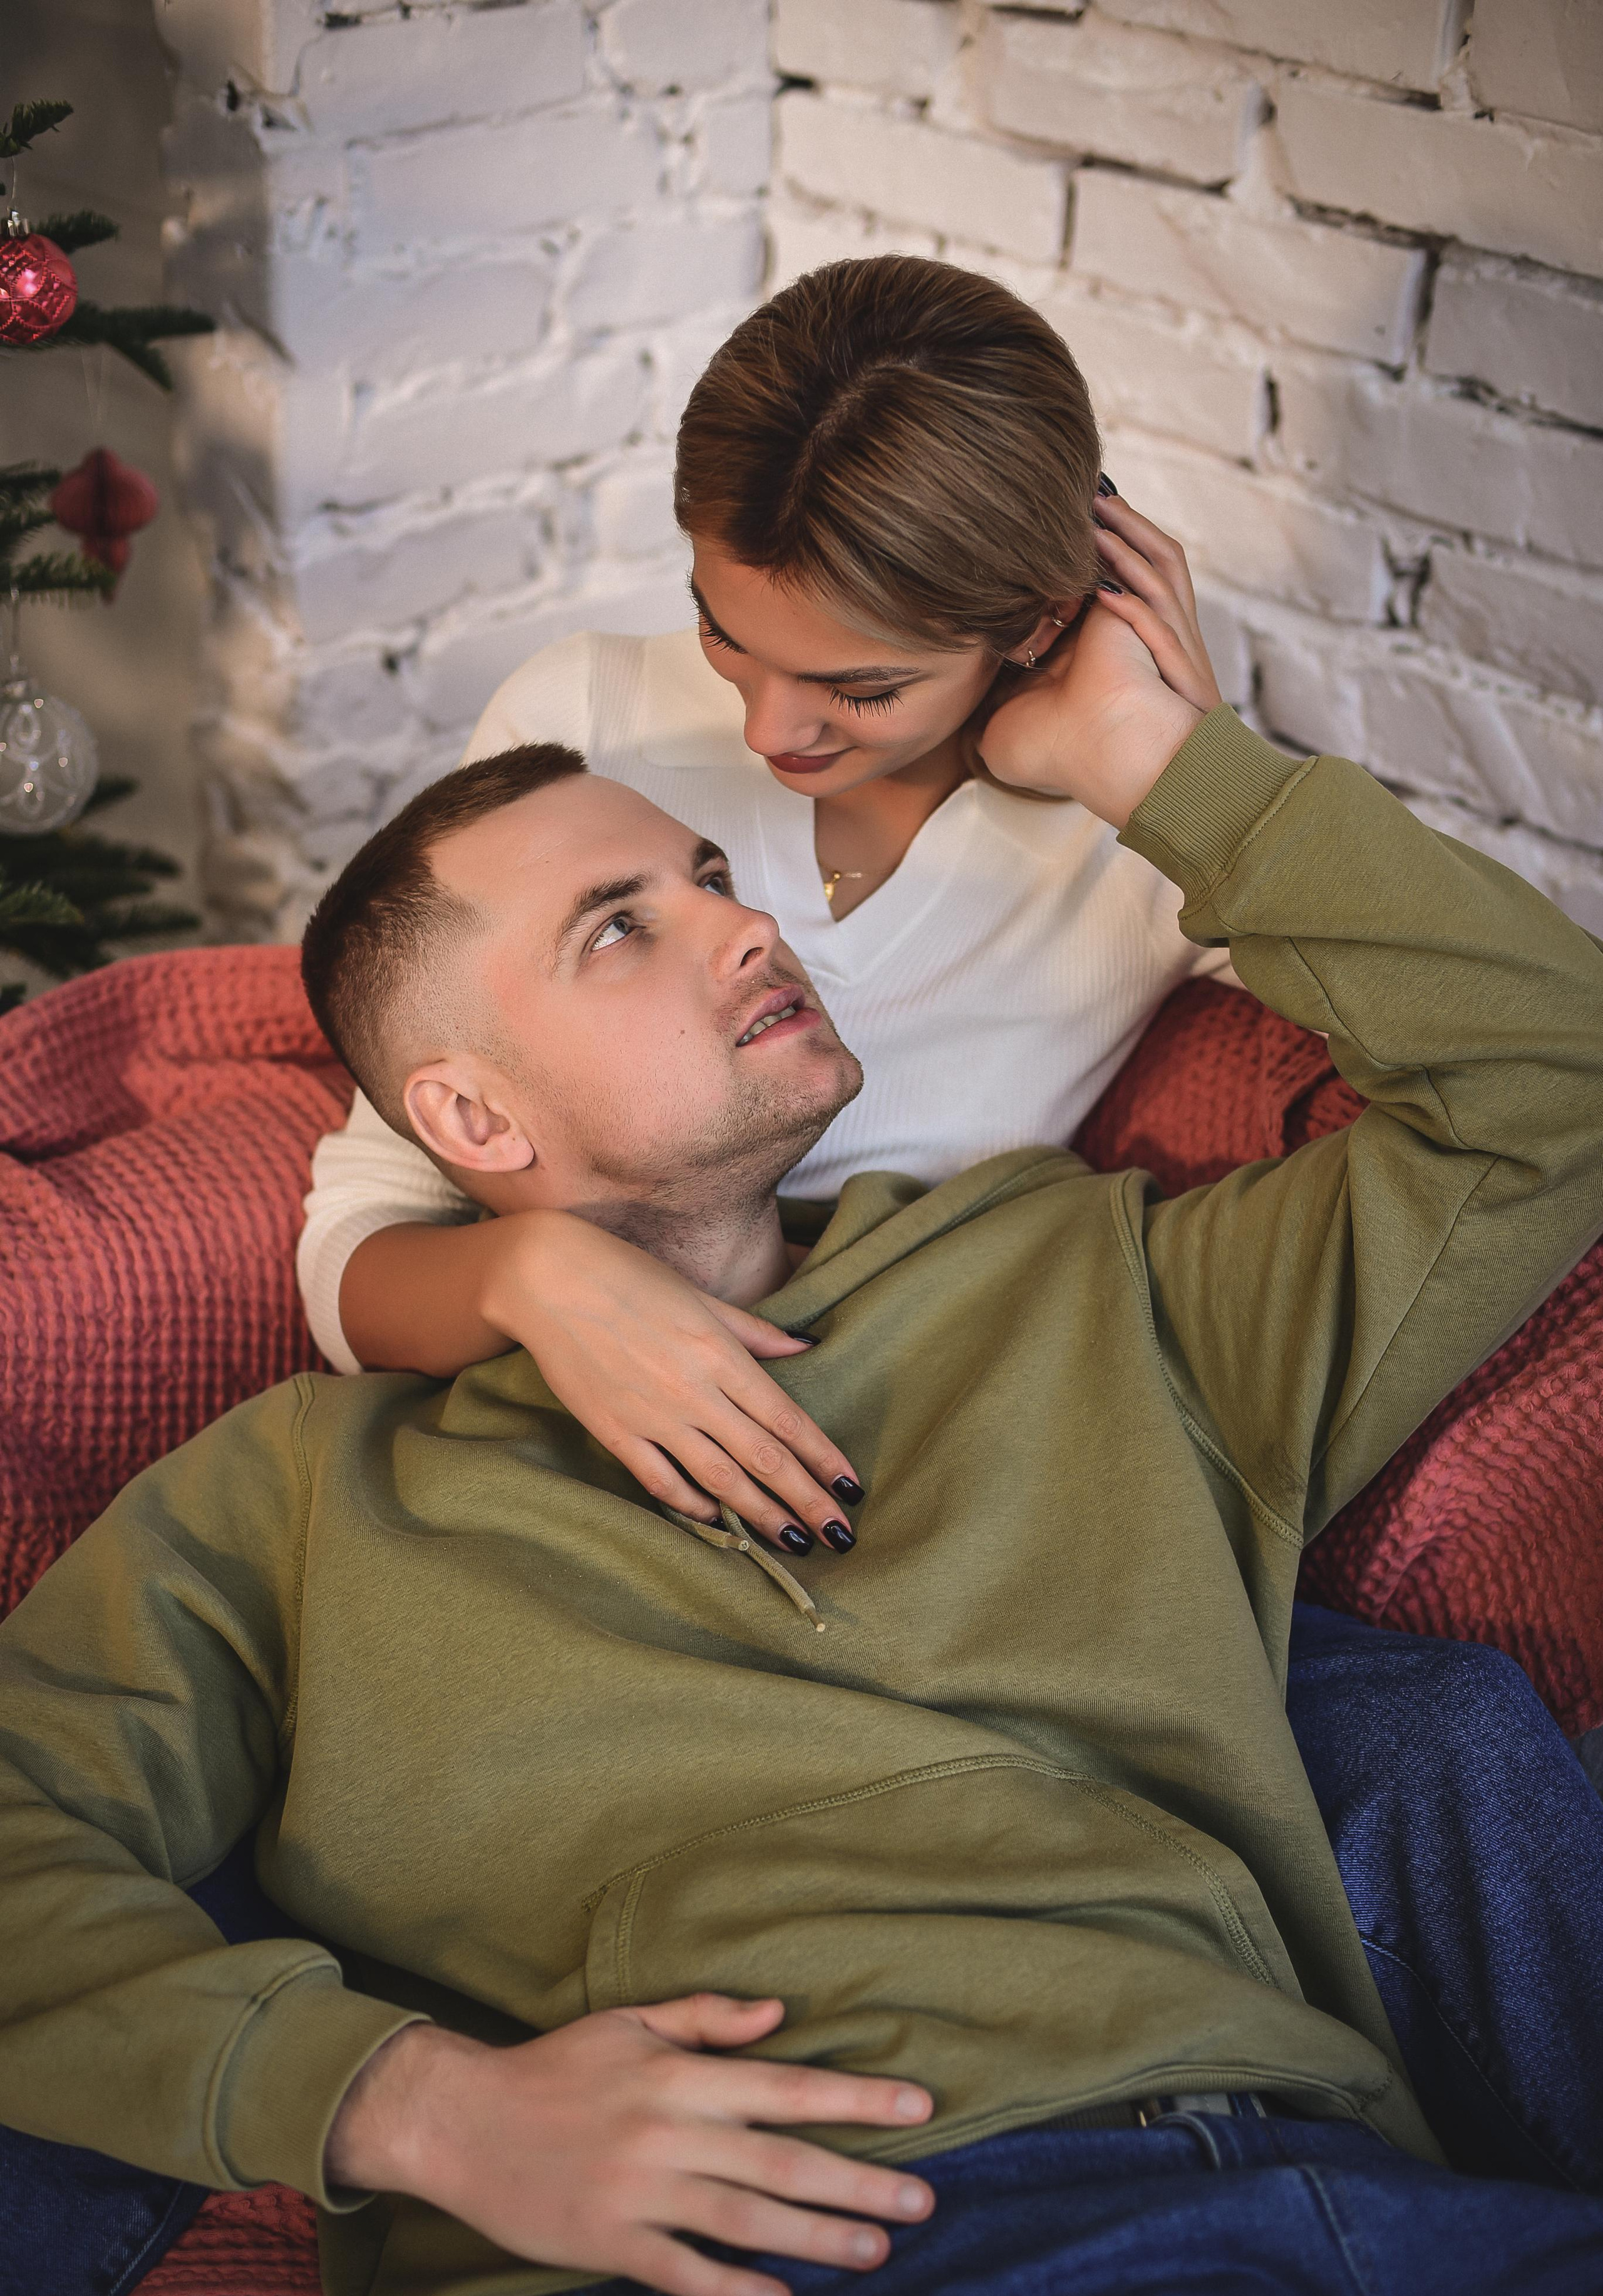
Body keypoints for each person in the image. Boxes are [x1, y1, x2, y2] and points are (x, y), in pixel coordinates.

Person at [3, 647, 1602, 2296]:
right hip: (812, 2266)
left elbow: (1549, 1080)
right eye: (621, 930)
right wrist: (403, 2105)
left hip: (1368, 2194)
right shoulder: (310, 1490)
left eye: (709, 875)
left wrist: (1156, 753)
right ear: (468, 1115)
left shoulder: (1077, 1276)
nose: (746, 923)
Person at [298, 253, 1237, 1548]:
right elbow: (363, 1230)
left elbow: (1484, 1055)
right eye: (722, 629)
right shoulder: (588, 723)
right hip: (559, 1483)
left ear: (1035, 622)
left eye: (860, 688)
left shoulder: (1137, 844)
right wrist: (537, 1276)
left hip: (927, 1471)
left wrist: (1186, 769)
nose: (766, 729)